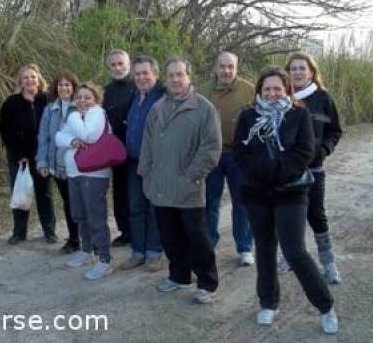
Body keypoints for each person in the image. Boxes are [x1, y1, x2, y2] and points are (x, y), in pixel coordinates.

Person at [233, 67, 338, 334]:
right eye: (266, 89)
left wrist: (276, 171)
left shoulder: (298, 115)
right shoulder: (248, 116)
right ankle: (268, 302)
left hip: (291, 191)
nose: (272, 93)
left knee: (294, 250)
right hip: (256, 193)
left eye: (277, 89)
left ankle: (326, 306)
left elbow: (305, 151)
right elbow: (241, 153)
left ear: (287, 91)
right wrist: (261, 173)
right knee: (265, 248)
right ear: (259, 91)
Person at [138, 58, 222, 304]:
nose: (175, 80)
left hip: (189, 188)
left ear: (189, 77)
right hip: (160, 186)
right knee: (169, 235)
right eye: (171, 75)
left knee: (197, 237)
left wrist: (191, 177)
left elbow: (211, 149)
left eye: (180, 75)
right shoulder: (158, 107)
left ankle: (207, 282)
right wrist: (147, 175)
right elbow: (147, 144)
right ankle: (179, 276)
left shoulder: (204, 109)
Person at [275, 53, 343, 283]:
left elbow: (335, 131)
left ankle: (329, 264)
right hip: (286, 171)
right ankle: (289, 258)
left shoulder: (323, 98)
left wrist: (323, 151)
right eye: (292, 69)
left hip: (313, 169)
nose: (297, 73)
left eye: (301, 68)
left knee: (316, 215)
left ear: (311, 72)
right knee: (288, 216)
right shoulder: (281, 97)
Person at [55, 82, 113, 280]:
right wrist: (71, 140)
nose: (82, 101)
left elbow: (89, 134)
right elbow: (58, 136)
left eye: (87, 97)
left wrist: (72, 120)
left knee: (95, 216)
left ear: (95, 99)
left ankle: (104, 259)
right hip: (74, 173)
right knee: (80, 214)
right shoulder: (77, 117)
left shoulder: (97, 113)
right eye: (79, 97)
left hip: (94, 174)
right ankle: (87, 250)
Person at [202, 51, 255, 265]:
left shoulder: (249, 90)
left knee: (241, 202)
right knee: (210, 202)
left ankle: (244, 248)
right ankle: (208, 244)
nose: (226, 70)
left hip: (238, 155)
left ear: (237, 68)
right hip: (211, 154)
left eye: (230, 67)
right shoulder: (203, 90)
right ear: (216, 67)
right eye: (222, 66)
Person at [0, 63, 56, 245]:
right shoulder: (11, 103)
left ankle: (49, 231)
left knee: (44, 194)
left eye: (33, 76)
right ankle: (19, 232)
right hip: (20, 157)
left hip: (42, 156)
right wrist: (18, 154)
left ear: (39, 79)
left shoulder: (47, 100)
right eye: (26, 77)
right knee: (21, 193)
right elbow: (5, 131)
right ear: (21, 82)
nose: (30, 80)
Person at [120, 55, 166, 272]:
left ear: (155, 74)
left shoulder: (164, 97)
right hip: (133, 161)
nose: (141, 77)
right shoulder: (134, 97)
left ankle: (154, 253)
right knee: (135, 207)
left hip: (156, 162)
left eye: (145, 73)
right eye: (137, 74)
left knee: (154, 208)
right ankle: (137, 252)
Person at [36, 71, 80, 254]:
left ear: (73, 87)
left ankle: (89, 238)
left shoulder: (81, 107)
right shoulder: (50, 110)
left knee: (81, 202)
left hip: (78, 164)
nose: (64, 88)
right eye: (61, 85)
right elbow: (44, 137)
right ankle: (74, 238)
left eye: (67, 84)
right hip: (58, 165)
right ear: (56, 88)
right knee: (68, 202)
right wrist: (42, 162)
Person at [103, 49, 135, 247]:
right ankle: (125, 231)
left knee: (137, 193)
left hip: (135, 149)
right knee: (120, 193)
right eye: (113, 65)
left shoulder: (137, 86)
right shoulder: (106, 90)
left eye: (120, 64)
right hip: (115, 151)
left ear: (128, 64)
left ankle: (141, 231)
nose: (117, 68)